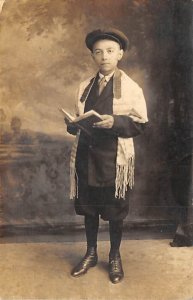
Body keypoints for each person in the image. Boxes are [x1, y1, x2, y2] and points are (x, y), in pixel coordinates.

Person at [65, 28, 148, 284]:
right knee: (89, 209)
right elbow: (79, 121)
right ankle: (90, 253)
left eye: (110, 51)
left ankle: (114, 255)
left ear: (120, 54)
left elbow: (140, 123)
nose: (104, 57)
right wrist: (72, 124)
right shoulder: (84, 87)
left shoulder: (131, 88)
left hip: (113, 160)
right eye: (98, 52)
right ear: (92, 56)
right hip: (86, 158)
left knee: (114, 211)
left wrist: (114, 122)